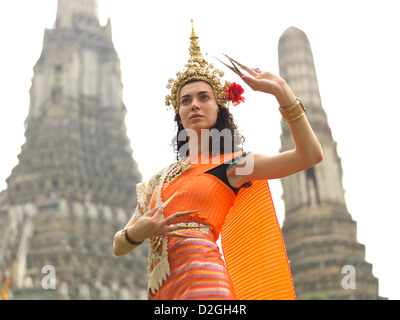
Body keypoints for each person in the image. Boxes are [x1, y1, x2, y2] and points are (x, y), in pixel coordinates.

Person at [113, 21, 323, 300]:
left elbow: (308, 155)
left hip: (206, 284)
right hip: (164, 291)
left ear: (218, 107)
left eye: (204, 97)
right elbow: (119, 244)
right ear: (179, 113)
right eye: (186, 101)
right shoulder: (159, 179)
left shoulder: (233, 165)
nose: (194, 105)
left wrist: (282, 92)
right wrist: (138, 232)